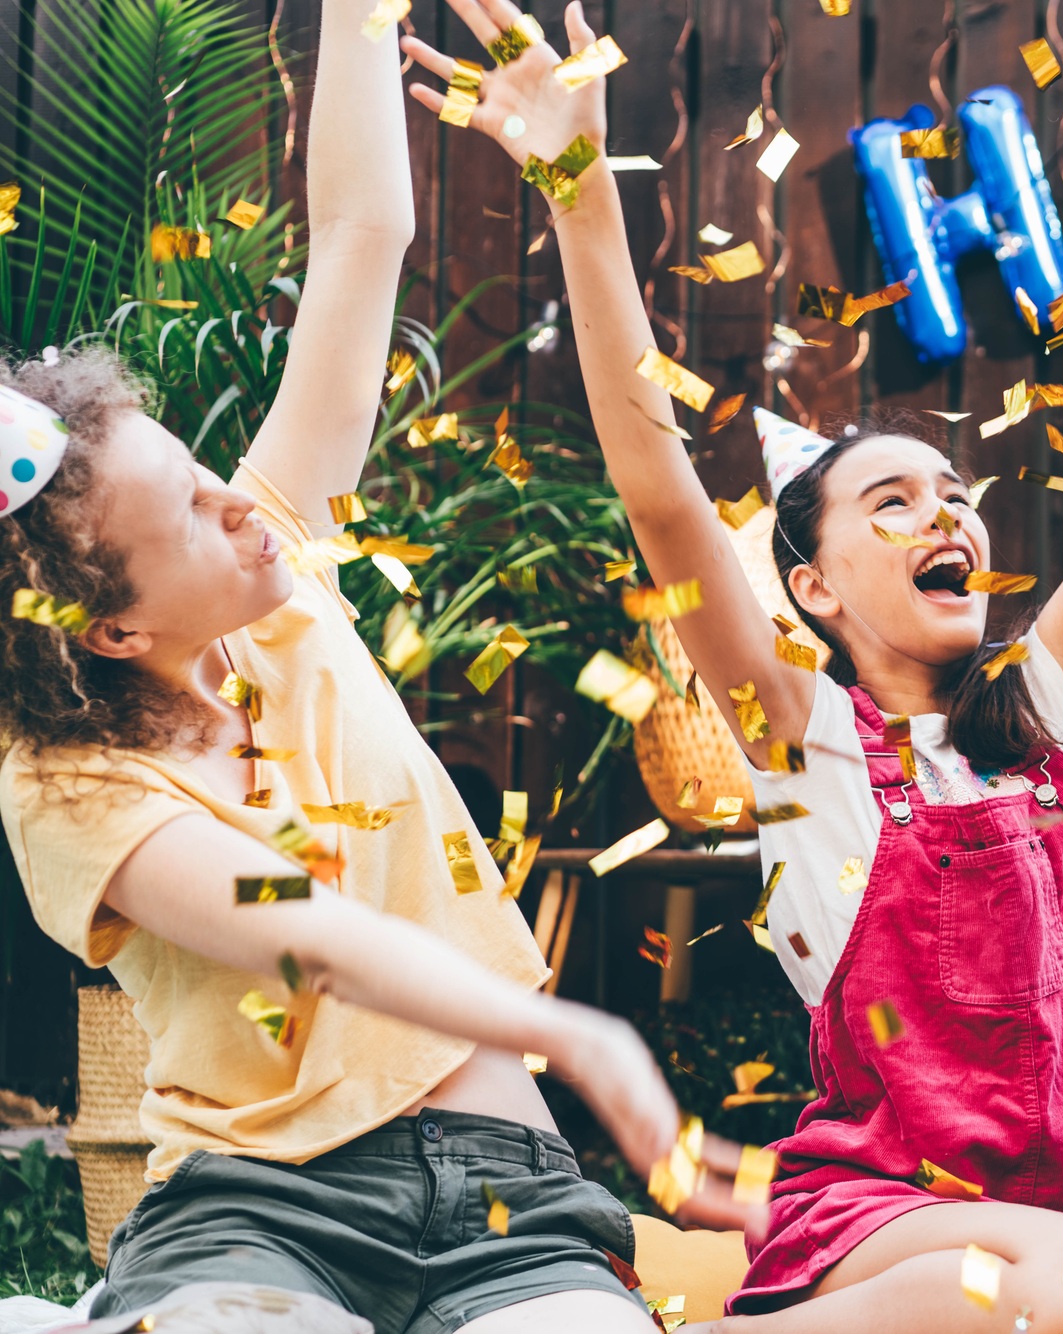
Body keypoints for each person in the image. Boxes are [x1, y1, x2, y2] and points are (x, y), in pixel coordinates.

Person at [402, 0, 1063, 1326]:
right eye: (891, 500)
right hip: (884, 1224)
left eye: (954, 493)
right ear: (812, 588)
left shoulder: (1055, 717)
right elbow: (661, 497)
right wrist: (579, 194)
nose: (947, 513)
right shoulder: (803, 745)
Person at [0, 4, 752, 1330]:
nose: (240, 505)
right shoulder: (65, 785)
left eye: (204, 472)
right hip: (252, 1201)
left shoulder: (276, 576)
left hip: (507, 1195)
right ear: (108, 630)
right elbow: (301, 931)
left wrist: (357, 19)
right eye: (186, 514)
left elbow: (361, 238)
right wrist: (580, 1029)